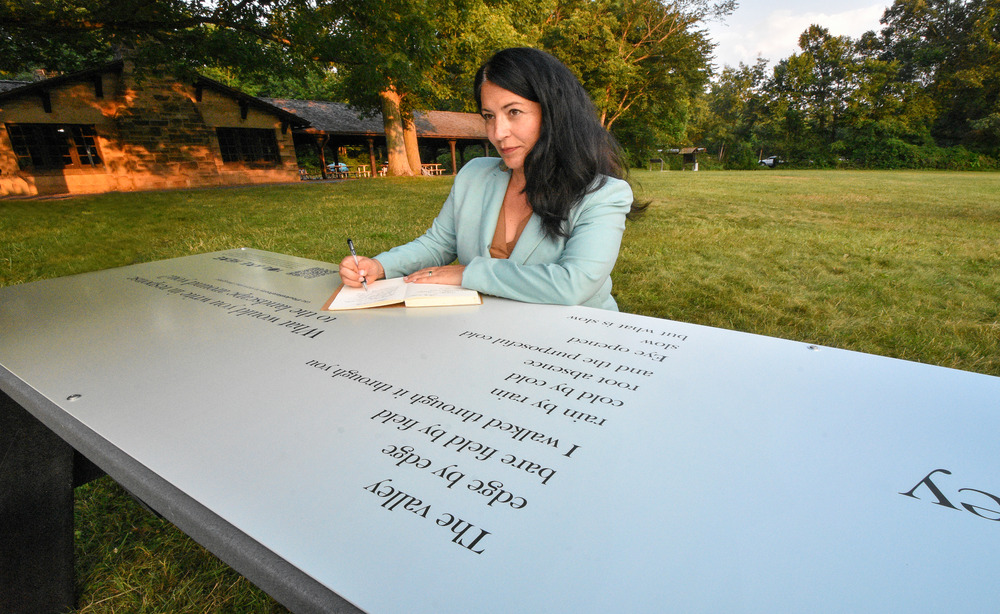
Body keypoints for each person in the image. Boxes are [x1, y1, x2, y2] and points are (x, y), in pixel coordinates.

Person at [339, 47, 636, 311]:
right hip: (487, 331)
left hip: (575, 339)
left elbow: (573, 284)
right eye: (489, 116)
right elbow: (438, 244)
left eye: (514, 112)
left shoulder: (604, 194)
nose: (497, 133)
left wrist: (469, 273)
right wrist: (379, 266)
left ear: (553, 113)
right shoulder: (474, 174)